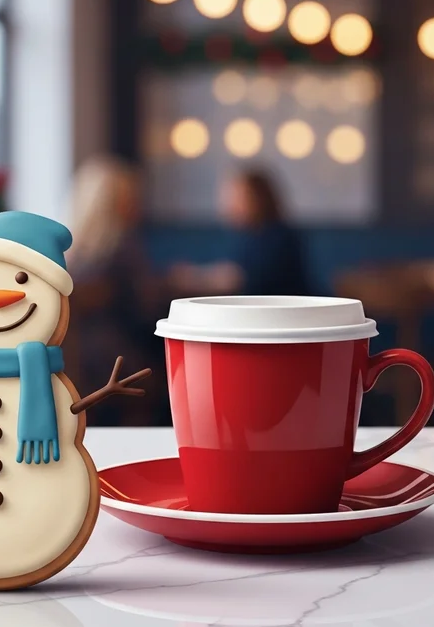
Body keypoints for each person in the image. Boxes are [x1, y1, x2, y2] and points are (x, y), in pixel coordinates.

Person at [66, 155, 169, 425]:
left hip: (75, 364)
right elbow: (146, 311)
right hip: (117, 363)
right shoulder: (123, 249)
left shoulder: (71, 254)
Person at [170, 168, 312, 296]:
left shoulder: (279, 237)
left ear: (259, 199)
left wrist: (194, 278)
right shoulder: (245, 237)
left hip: (285, 313)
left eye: (238, 198)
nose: (230, 206)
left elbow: (237, 278)